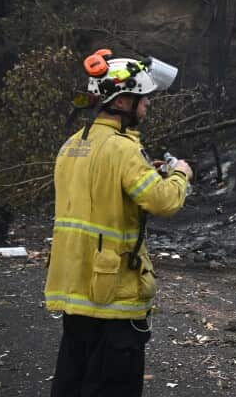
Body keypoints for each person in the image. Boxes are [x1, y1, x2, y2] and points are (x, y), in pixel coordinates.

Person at [45, 49, 193, 397]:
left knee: (73, 380)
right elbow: (163, 201)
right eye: (143, 99)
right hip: (112, 294)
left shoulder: (72, 146)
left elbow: (100, 197)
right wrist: (180, 175)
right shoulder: (124, 150)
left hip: (75, 288)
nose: (147, 106)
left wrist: (146, 174)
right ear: (124, 102)